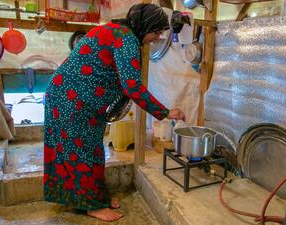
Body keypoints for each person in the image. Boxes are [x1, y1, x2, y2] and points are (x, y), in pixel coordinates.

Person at [43, 3, 186, 222]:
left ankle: (94, 197)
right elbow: (132, 86)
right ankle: (92, 205)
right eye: (156, 32)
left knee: (89, 150)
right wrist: (165, 112)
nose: (156, 38)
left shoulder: (117, 30)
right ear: (144, 25)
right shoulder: (126, 39)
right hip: (71, 99)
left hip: (73, 96)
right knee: (83, 152)